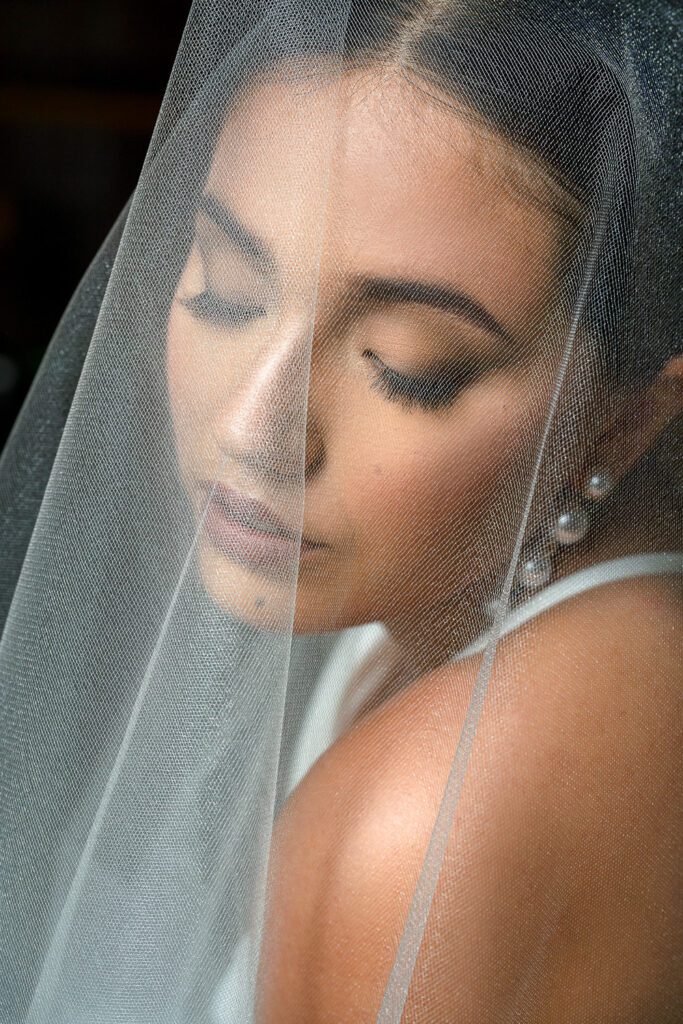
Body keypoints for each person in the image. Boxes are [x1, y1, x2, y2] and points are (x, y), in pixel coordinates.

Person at [0, 2, 680, 1022]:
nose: (253, 427)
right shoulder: (439, 621)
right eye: (229, 291)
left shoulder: (431, 820)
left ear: (622, 422)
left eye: (409, 369)